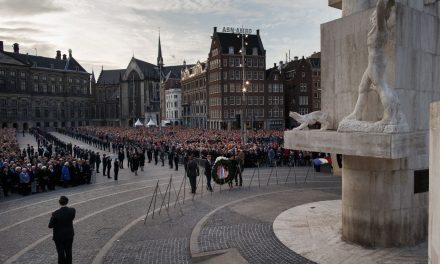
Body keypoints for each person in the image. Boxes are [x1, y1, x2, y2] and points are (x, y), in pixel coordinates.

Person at [344, 0, 399, 125]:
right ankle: (356, 114)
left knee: (381, 87)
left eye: (375, 16)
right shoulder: (378, 29)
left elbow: (380, 7)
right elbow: (387, 13)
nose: (373, 18)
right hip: (372, 64)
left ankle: (389, 116)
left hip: (375, 63)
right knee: (362, 88)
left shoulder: (381, 28)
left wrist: (383, 4)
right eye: (373, 16)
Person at [48, 196, 76, 264]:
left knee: (61, 253)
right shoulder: (72, 210)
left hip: (59, 236)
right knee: (69, 252)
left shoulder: (55, 213)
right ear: (67, 202)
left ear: (59, 203)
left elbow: (50, 226)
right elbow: (71, 218)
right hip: (69, 234)